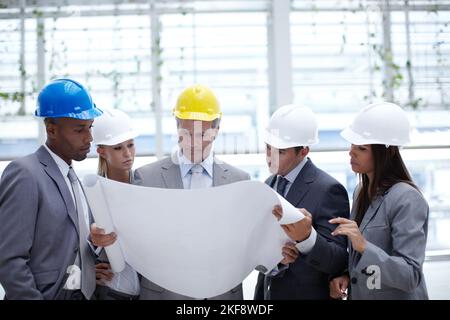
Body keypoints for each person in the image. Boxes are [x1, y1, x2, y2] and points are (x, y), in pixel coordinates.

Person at [0, 78, 102, 299]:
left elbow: (71, 243)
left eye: (90, 127)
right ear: (52, 130)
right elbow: (9, 259)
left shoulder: (75, 179)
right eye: (79, 130)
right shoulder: (25, 174)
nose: (89, 138)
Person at [329, 102, 429, 300]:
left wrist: (363, 245)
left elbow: (410, 275)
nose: (351, 152)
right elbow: (369, 263)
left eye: (362, 148)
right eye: (352, 145)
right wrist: (349, 275)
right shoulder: (361, 192)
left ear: (386, 152)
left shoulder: (407, 198)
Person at [254, 104, 350, 300]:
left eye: (280, 152)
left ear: (303, 151)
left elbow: (338, 260)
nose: (270, 158)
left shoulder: (329, 190)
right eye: (268, 148)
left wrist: (307, 238)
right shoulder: (268, 184)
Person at [91, 108, 140, 300]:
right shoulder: (91, 193)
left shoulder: (146, 187)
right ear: (102, 152)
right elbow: (76, 243)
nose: (128, 154)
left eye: (131, 145)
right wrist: (88, 270)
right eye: (118, 148)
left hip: (147, 289)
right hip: (108, 291)